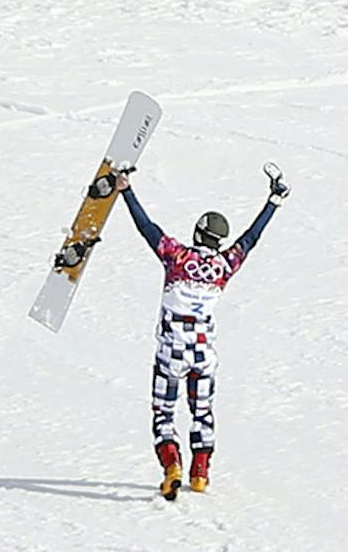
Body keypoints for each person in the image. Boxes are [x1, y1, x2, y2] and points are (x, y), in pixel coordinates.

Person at [118, 164, 289, 499]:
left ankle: (172, 466)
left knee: (164, 413)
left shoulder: (176, 258)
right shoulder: (225, 266)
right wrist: (273, 201)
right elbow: (249, 240)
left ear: (197, 233)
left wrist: (126, 190)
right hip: (203, 353)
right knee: (203, 412)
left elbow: (146, 228)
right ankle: (201, 473)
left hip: (171, 351)